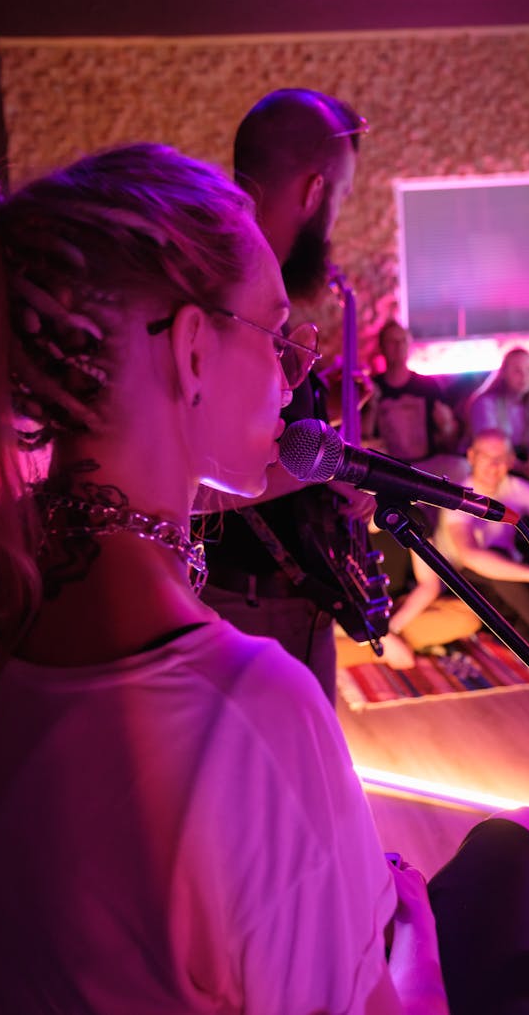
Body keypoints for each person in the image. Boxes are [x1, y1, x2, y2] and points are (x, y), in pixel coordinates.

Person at [0, 139, 529, 1015]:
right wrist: (414, 956)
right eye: (277, 330)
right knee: (520, 881)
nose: (298, 367)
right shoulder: (250, 714)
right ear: (195, 350)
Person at [199, 89, 379, 704]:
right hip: (252, 603)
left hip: (278, 598)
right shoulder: (224, 297)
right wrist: (323, 466)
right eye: (343, 195)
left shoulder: (233, 282)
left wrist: (317, 425)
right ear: (313, 191)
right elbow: (188, 490)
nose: (337, 214)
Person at [436, 429, 529, 659]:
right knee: (497, 563)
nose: (493, 465)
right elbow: (470, 556)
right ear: (472, 457)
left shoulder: (515, 488)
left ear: (510, 461)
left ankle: (526, 626)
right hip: (467, 578)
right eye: (486, 456)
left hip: (507, 567)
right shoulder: (461, 496)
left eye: (500, 458)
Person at [362, 319, 463, 473]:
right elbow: (363, 439)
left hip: (427, 469)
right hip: (388, 470)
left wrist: (447, 427)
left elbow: (450, 439)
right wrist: (371, 407)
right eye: (392, 342)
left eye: (403, 341)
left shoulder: (428, 386)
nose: (399, 346)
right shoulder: (371, 388)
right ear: (381, 348)